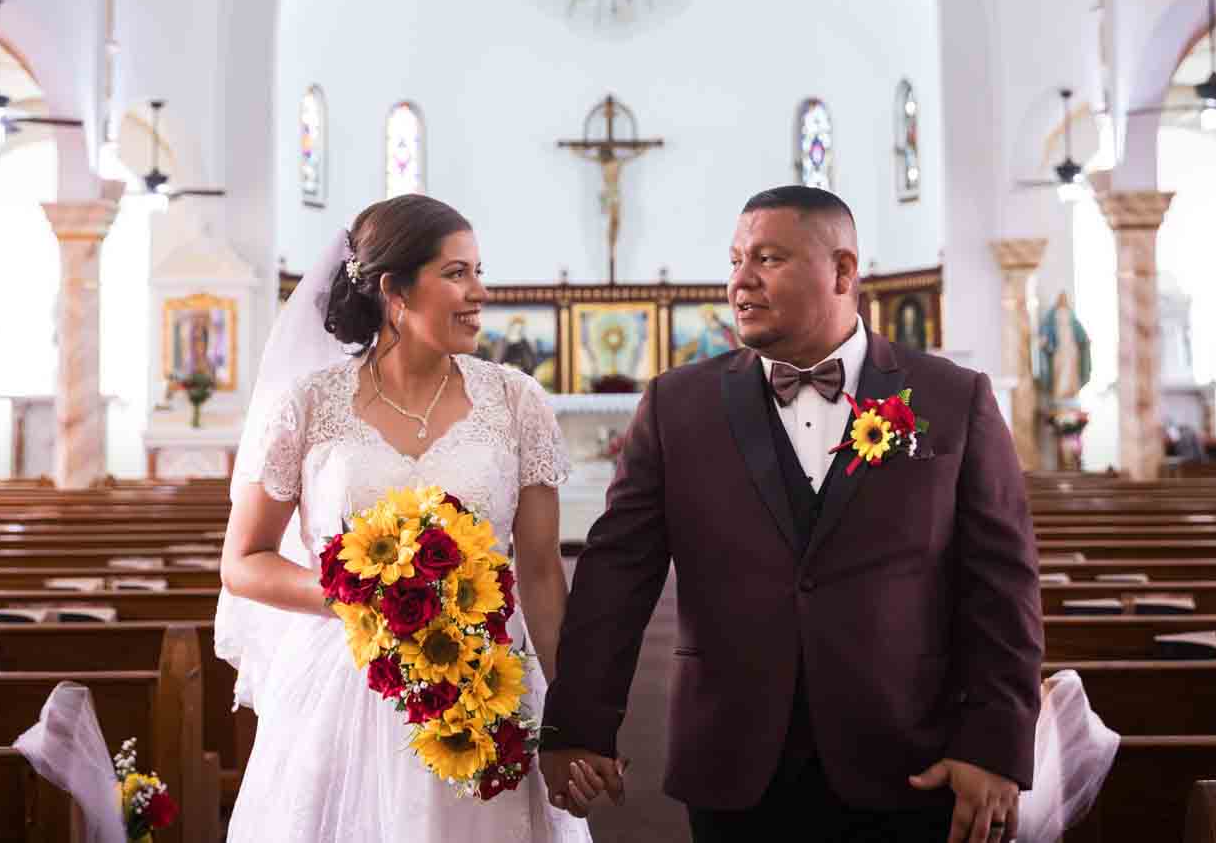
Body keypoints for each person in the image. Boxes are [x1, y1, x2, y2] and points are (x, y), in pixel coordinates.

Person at [543, 186, 1047, 843]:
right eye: (733, 261)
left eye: (769, 258)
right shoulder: (678, 406)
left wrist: (995, 744)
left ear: (842, 271)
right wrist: (577, 725)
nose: (740, 282)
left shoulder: (954, 399)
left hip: (914, 761)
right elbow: (615, 577)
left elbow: (1003, 587)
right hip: (733, 762)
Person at [216, 194, 590, 842]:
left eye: (479, 270)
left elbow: (540, 575)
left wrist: (571, 717)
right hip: (342, 687)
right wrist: (362, 592)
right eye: (457, 273)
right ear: (394, 289)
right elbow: (242, 560)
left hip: (483, 679)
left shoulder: (515, 401)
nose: (480, 292)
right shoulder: (306, 405)